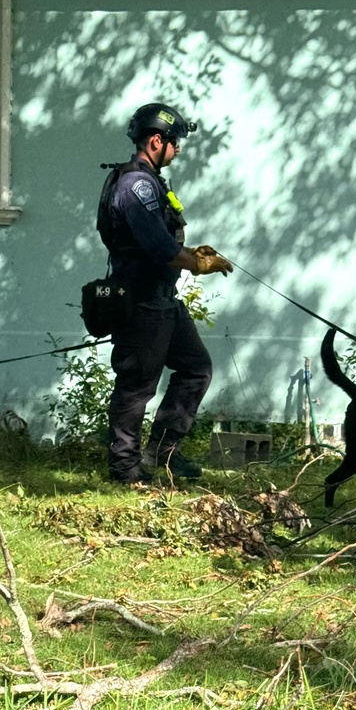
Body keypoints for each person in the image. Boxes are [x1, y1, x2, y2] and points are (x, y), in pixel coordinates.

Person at [96, 102, 233, 485]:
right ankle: (124, 468)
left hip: (162, 301)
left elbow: (162, 240)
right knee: (137, 385)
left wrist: (194, 254)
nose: (178, 150)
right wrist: (197, 262)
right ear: (157, 141)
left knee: (195, 369)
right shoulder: (135, 185)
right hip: (141, 303)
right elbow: (159, 247)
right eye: (176, 142)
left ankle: (164, 452)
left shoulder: (149, 180)